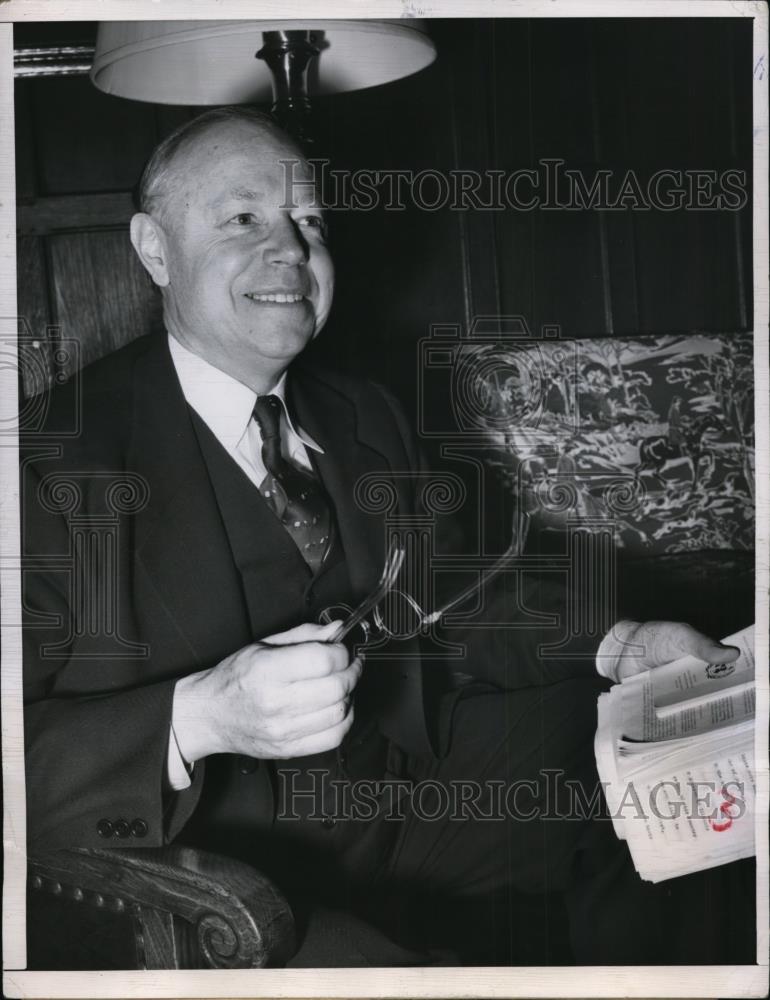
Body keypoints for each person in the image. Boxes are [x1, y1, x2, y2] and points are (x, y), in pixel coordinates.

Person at [21, 107, 753, 967]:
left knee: (667, 780)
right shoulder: (43, 460)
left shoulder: (361, 413)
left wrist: (621, 645)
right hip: (204, 880)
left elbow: (457, 593)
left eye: (309, 221)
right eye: (243, 219)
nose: (290, 249)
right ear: (153, 249)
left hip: (398, 799)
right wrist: (199, 718)